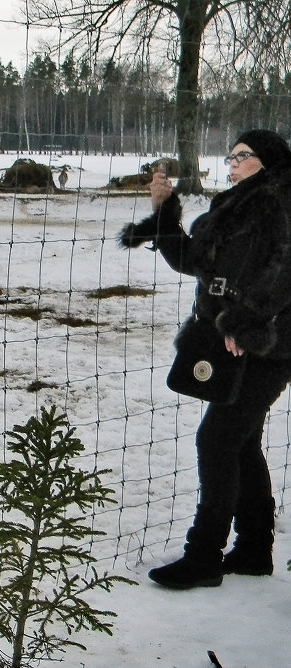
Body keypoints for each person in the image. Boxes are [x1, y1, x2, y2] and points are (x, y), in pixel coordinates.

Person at [119, 129, 291, 589]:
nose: (231, 163)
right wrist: (163, 209)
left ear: (267, 162)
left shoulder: (281, 203)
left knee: (216, 441)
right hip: (229, 340)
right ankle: (254, 549)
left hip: (267, 345)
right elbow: (196, 262)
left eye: (242, 156)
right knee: (241, 440)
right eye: (230, 155)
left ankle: (204, 556)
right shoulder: (235, 204)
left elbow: (282, 272)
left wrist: (246, 320)